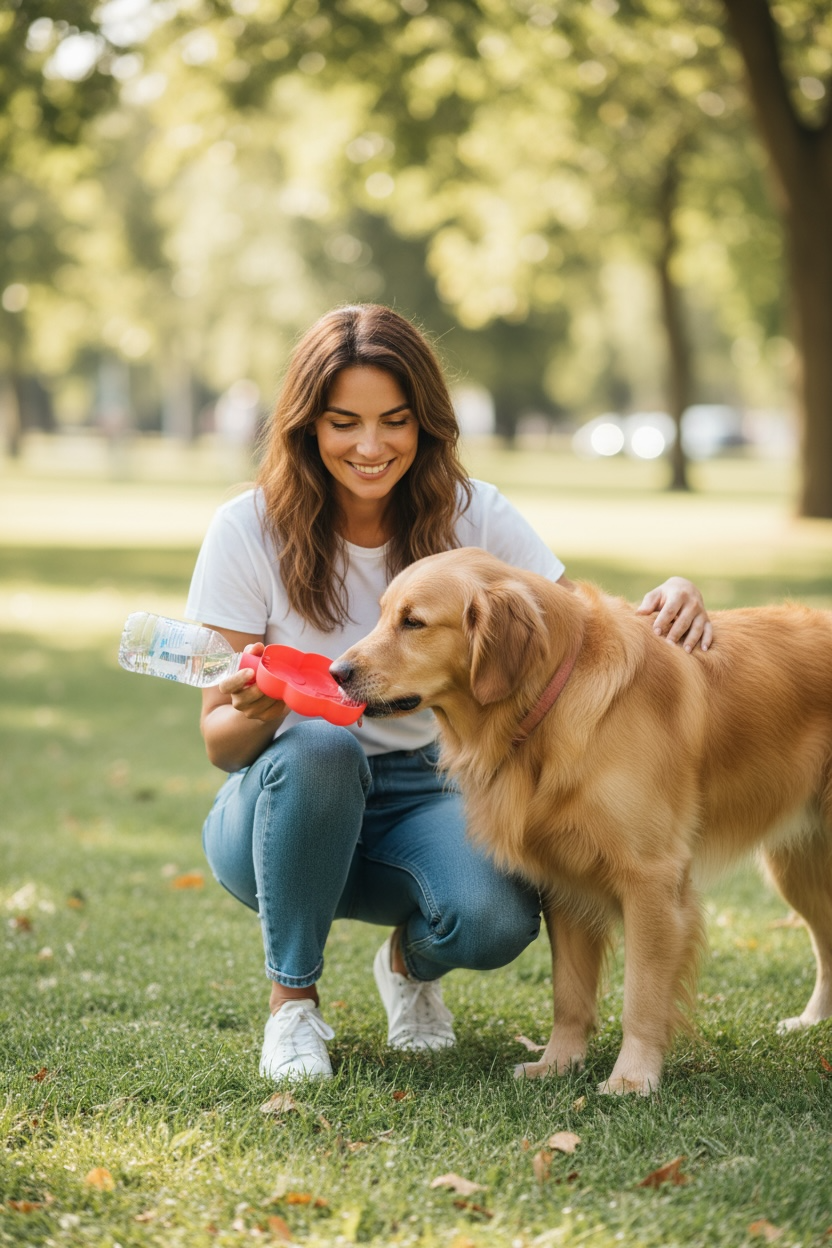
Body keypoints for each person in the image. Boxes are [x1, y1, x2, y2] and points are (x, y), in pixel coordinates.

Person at [186, 304, 712, 1082]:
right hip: (286, 799)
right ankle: (292, 1006)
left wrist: (669, 598)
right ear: (307, 426)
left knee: (496, 920)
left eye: (394, 421)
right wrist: (262, 713)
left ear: (425, 424)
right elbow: (219, 742)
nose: (371, 447)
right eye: (343, 423)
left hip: (432, 789)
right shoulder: (245, 531)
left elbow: (574, 633)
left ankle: (408, 966)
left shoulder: (475, 515)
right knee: (323, 744)